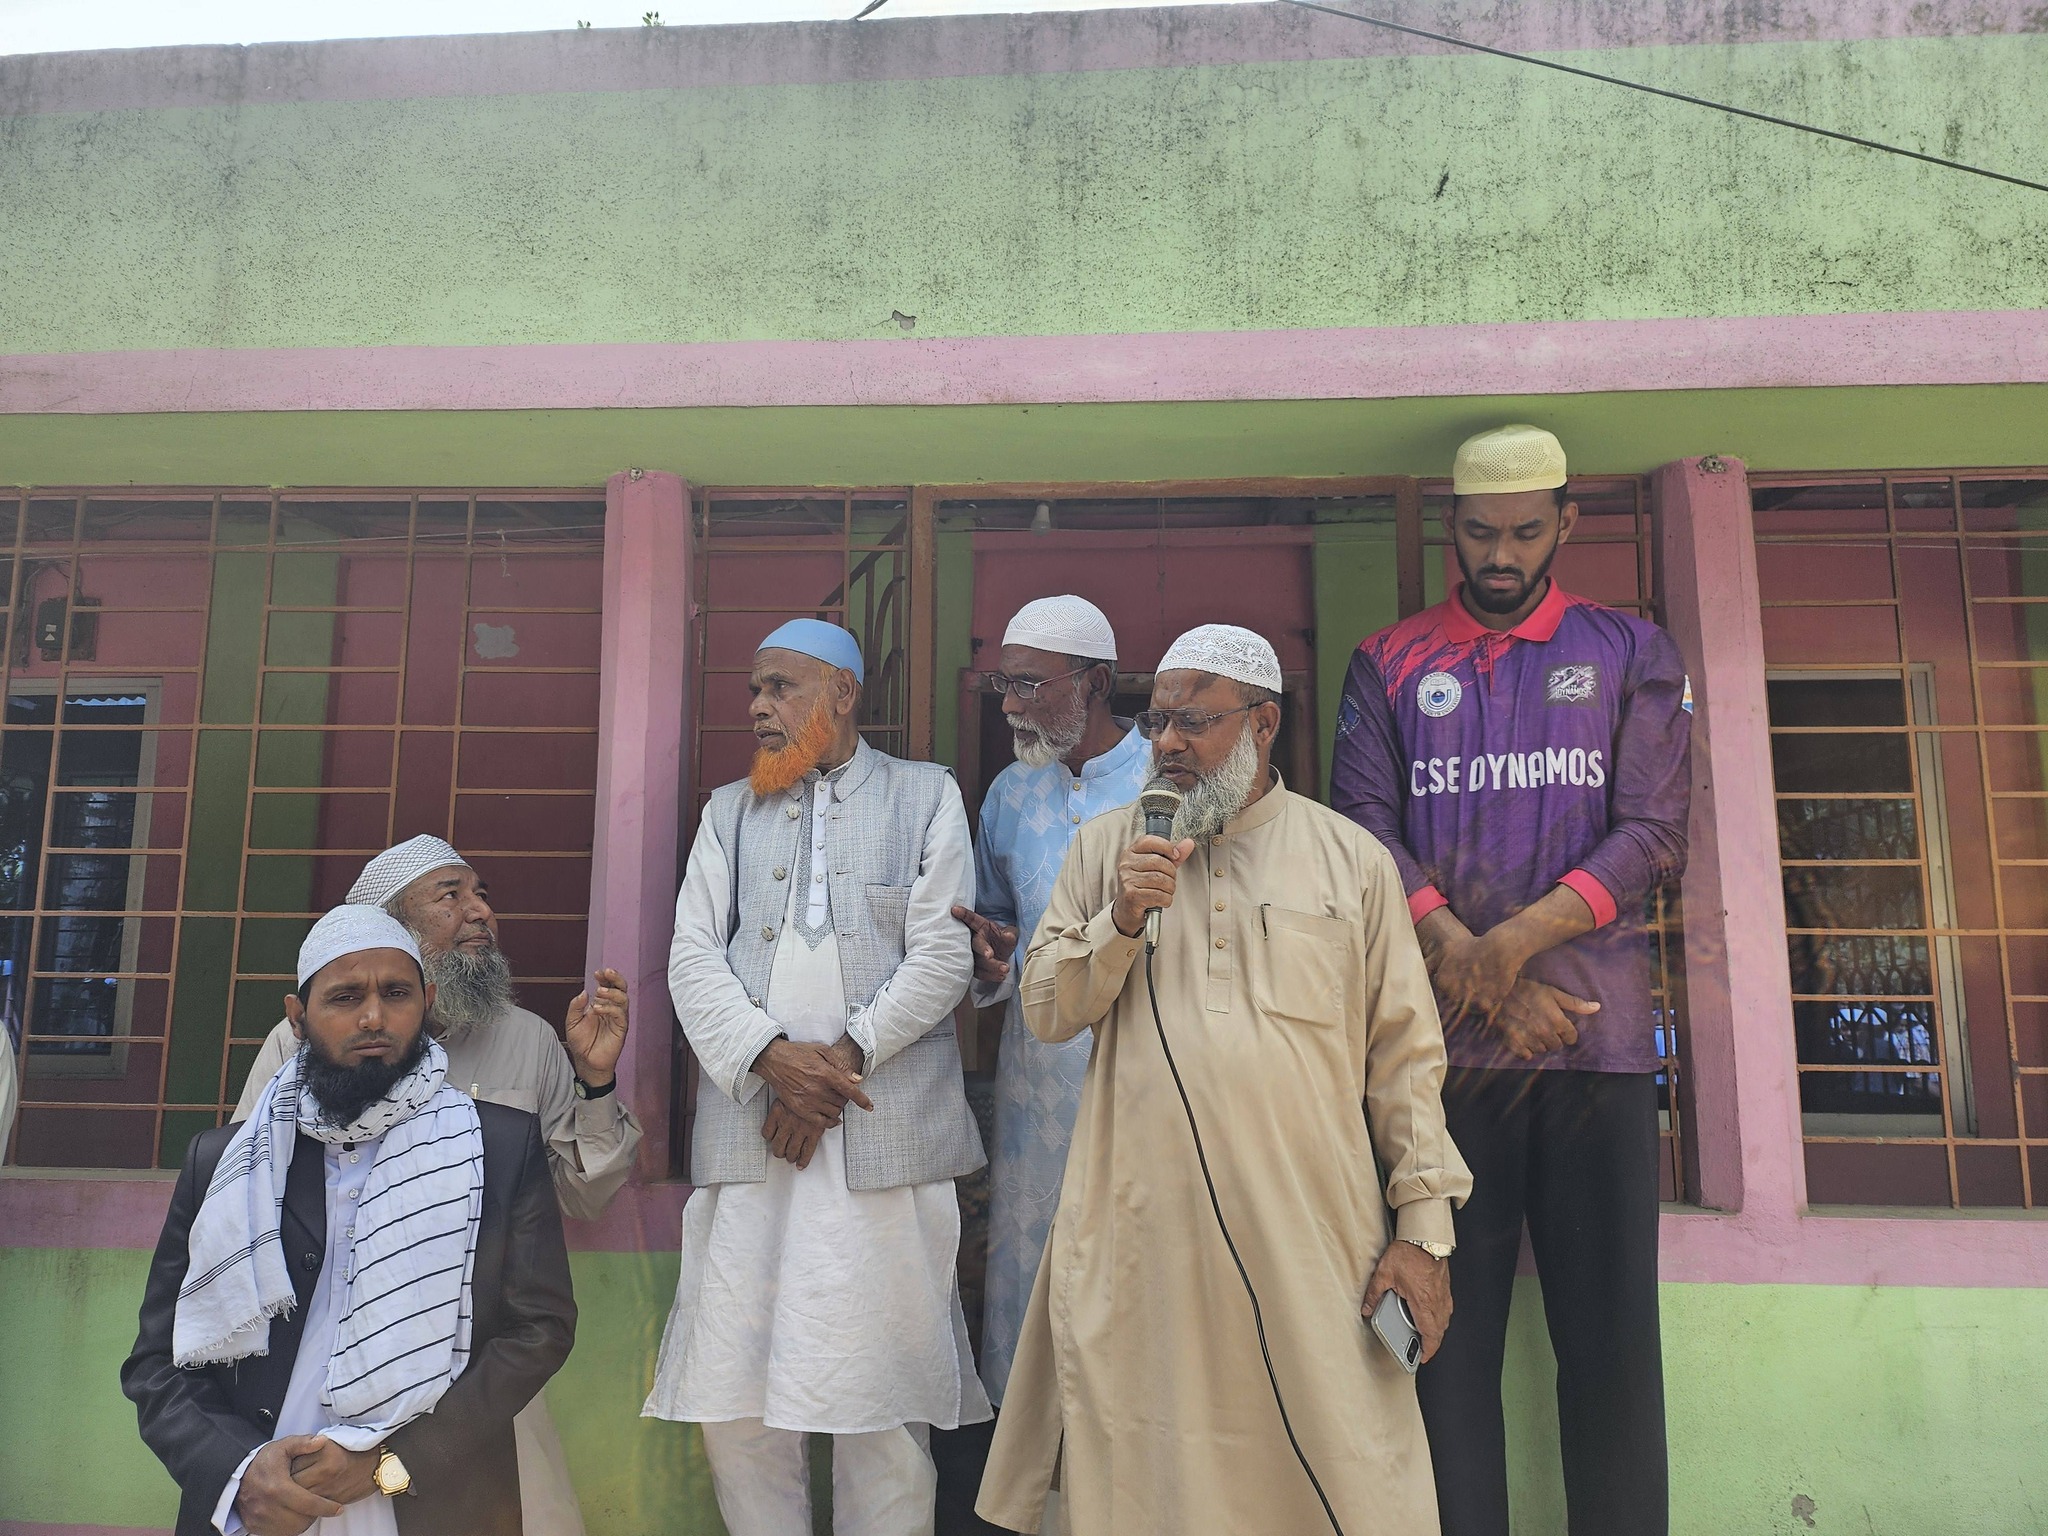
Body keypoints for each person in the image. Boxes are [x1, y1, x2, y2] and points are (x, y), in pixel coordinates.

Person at [978, 623, 1472, 1536]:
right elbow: (1045, 1010)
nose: (1167, 742)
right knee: (1148, 1484)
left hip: (1314, 1243)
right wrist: (1121, 918)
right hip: (1143, 1247)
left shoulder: (1352, 861)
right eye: (1158, 720)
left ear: (1263, 723)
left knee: (1339, 1474)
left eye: (1195, 722)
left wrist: (1424, 1234)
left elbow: (1405, 1063)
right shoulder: (1106, 850)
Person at [1329, 424, 1692, 1536]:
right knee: (1444, 1349)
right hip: (1439, 1068)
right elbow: (1361, 830)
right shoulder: (1390, 663)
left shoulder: (1630, 650)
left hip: (1595, 1049)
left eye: (1525, 531)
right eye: (1481, 531)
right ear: (1452, 524)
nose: (1500, 553)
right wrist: (1475, 967)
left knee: (1610, 1351)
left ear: (1565, 523)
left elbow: (1653, 833)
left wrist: (1504, 947)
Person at [647, 617, 991, 1536]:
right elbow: (690, 956)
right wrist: (771, 1060)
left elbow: (943, 955)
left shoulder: (926, 796)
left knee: (885, 1399)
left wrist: (834, 1067)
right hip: (752, 1137)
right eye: (754, 691)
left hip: (882, 1133)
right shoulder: (727, 812)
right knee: (737, 1400)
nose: (758, 708)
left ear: (843, 693)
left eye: (780, 687)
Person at [123, 905, 575, 1536]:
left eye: (396, 994)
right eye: (345, 997)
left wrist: (389, 1464)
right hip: (264, 1506)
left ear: (428, 1003)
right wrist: (239, 1473)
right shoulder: (226, 1162)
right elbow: (158, 1360)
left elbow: (538, 1331)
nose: (373, 1017)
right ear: (297, 1016)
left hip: (432, 1502)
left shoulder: (497, 1147)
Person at [233, 834, 635, 1536]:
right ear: (392, 928)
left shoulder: (528, 1040)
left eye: (482, 895)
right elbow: (240, 1202)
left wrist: (594, 1081)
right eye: (451, 896)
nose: (480, 912)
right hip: (323, 1355)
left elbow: (584, 1194)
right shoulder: (301, 1044)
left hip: (478, 1379)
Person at [951, 595, 1149, 1406]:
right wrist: (989, 959)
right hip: (1037, 1083)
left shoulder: (1167, 782)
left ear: (1095, 683)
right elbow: (995, 923)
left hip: (1146, 1075)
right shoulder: (1008, 793)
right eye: (1004, 683)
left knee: (1141, 1274)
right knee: (1037, 1271)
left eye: (1029, 685)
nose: (1009, 704)